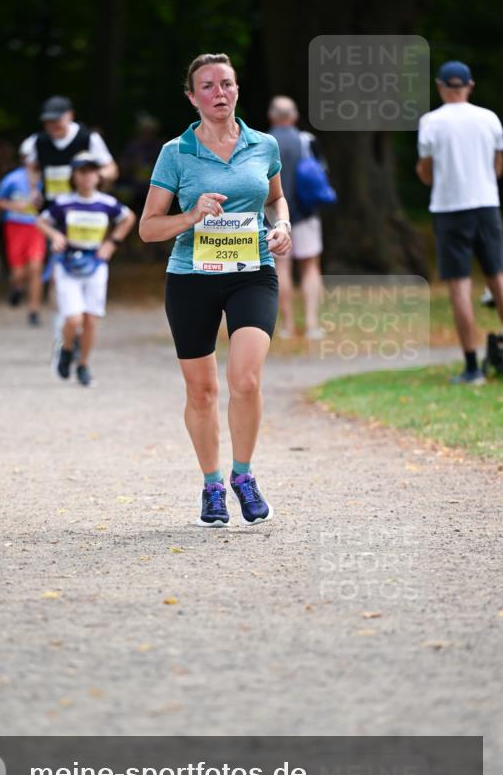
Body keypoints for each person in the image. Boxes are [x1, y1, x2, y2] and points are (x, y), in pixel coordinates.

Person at [140, 53, 292, 527]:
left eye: (226, 84)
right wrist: (190, 215)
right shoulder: (176, 152)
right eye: (207, 86)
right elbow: (147, 228)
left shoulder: (263, 145)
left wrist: (283, 225)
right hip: (190, 278)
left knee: (245, 379)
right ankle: (211, 484)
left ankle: (242, 477)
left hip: (253, 271)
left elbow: (276, 198)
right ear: (192, 97)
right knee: (201, 390)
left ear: (238, 90)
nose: (219, 93)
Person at [417, 60, 503, 384]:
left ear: (440, 86)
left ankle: (471, 367)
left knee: (459, 288)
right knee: (497, 279)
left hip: (449, 208)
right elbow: (498, 166)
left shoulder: (431, 122)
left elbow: (426, 171)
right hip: (486, 205)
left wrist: (430, 175)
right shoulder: (490, 119)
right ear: (470, 86)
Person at [37, 152, 135, 386]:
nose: (87, 176)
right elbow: (41, 220)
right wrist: (55, 235)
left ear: (98, 175)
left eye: (91, 171)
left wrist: (112, 243)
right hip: (68, 263)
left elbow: (128, 218)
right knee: (73, 319)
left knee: (91, 319)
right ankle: (68, 348)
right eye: (82, 171)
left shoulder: (106, 203)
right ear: (74, 175)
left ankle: (83, 365)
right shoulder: (64, 202)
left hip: (96, 264)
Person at [268, 96, 325, 339]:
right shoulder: (306, 141)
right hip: (305, 212)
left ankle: (287, 326)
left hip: (273, 214)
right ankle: (312, 325)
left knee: (282, 266)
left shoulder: (263, 142)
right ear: (294, 116)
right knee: (310, 265)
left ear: (272, 116)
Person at [20, 96, 118, 205]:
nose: (53, 125)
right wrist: (33, 189)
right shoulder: (38, 141)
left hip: (84, 205)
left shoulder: (88, 138)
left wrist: (91, 178)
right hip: (52, 207)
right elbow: (32, 166)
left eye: (57, 120)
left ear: (70, 115)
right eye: (48, 121)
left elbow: (111, 169)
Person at [0, 146, 44, 325]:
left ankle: (34, 311)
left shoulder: (46, 179)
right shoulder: (12, 179)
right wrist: (17, 207)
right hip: (15, 226)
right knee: (18, 271)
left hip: (37, 227)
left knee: (36, 267)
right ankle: (16, 286)